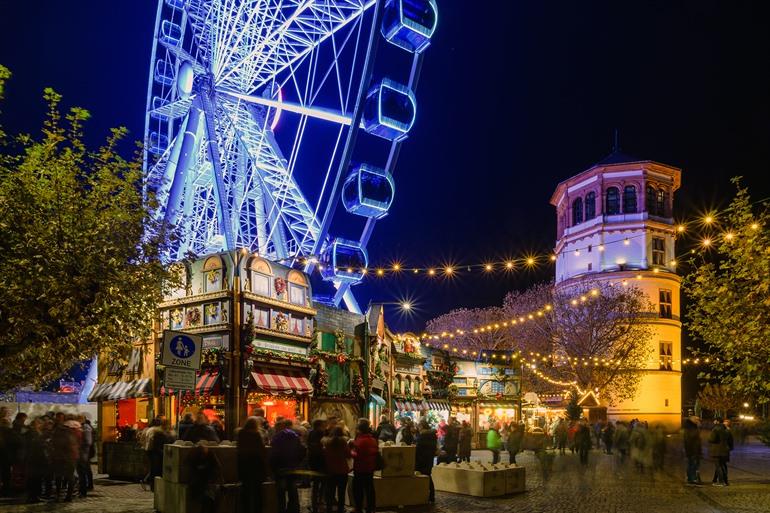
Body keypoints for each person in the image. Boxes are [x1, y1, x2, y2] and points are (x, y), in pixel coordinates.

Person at [270, 418, 306, 513]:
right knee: (292, 489)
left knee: (281, 491)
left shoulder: (277, 437)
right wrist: (297, 461)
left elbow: (274, 453)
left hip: (280, 467)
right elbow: (302, 449)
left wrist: (273, 467)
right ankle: (293, 509)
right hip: (292, 466)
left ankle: (281, 509)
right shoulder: (295, 435)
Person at [238, 417, 267, 513]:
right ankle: (257, 510)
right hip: (256, 466)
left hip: (244, 466)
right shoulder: (257, 434)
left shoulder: (241, 434)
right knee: (258, 492)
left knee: (246, 491)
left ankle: (246, 509)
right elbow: (261, 452)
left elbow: (239, 450)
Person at [350, 418, 378, 513]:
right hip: (370, 468)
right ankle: (371, 508)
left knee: (358, 489)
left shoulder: (361, 441)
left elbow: (358, 455)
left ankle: (358, 508)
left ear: (359, 429)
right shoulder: (372, 439)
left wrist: (350, 452)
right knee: (369, 489)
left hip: (360, 468)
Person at [323, 427, 350, 513]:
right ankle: (340, 509)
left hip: (330, 470)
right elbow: (348, 454)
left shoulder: (327, 443)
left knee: (330, 492)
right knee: (341, 492)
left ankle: (329, 508)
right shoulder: (343, 442)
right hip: (342, 470)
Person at [51, 417, 78, 502]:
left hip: (60, 458)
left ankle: (58, 495)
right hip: (70, 458)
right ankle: (68, 496)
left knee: (59, 477)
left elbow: (55, 445)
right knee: (70, 477)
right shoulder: (71, 434)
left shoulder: (57, 433)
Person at [189, 444, 222, 513]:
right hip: (201, 486)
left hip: (209, 485)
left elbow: (217, 469)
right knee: (208, 499)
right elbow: (194, 474)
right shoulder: (195, 458)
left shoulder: (210, 456)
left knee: (211, 498)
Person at [23, 418, 48, 503]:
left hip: (33, 459)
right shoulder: (33, 433)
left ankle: (34, 496)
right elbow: (37, 446)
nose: (42, 426)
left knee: (34, 478)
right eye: (40, 424)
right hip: (35, 459)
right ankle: (34, 496)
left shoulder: (29, 433)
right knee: (35, 479)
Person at [306, 418, 327, 513]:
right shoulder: (321, 433)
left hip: (313, 460)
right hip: (321, 461)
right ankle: (320, 501)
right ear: (320, 425)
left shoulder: (310, 433)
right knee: (322, 482)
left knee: (315, 482)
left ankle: (314, 502)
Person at [414, 420, 437, 503]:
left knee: (422, 477)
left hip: (421, 460)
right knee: (428, 476)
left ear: (422, 426)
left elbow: (419, 449)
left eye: (419, 426)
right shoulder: (432, 435)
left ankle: (423, 496)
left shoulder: (423, 436)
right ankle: (431, 496)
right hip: (429, 459)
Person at [709, 418, 733, 486]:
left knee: (719, 466)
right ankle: (725, 481)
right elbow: (731, 441)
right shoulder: (727, 430)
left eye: (715, 420)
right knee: (722, 466)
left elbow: (711, 439)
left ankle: (721, 481)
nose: (713, 421)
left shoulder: (716, 429)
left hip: (717, 450)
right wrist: (729, 448)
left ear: (717, 421)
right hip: (725, 450)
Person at [683, 417, 702, 485]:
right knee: (693, 465)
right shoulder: (691, 429)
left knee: (692, 464)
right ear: (693, 421)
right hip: (692, 450)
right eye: (697, 420)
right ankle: (692, 479)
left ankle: (690, 478)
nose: (698, 421)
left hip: (693, 450)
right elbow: (690, 441)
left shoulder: (692, 428)